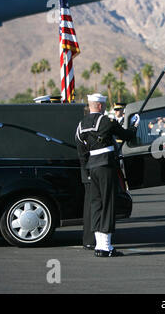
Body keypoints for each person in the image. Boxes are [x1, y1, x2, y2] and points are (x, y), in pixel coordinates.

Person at [75, 93, 139, 257]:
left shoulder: (81, 125)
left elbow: (81, 152)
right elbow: (126, 135)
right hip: (105, 166)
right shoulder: (106, 121)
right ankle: (106, 247)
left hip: (92, 168)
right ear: (100, 106)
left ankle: (99, 244)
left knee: (96, 205)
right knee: (108, 204)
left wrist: (86, 173)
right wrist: (134, 126)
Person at [75, 104, 95, 250]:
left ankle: (90, 239)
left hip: (87, 170)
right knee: (93, 206)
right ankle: (92, 239)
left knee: (90, 206)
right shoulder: (87, 129)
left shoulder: (80, 128)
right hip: (91, 170)